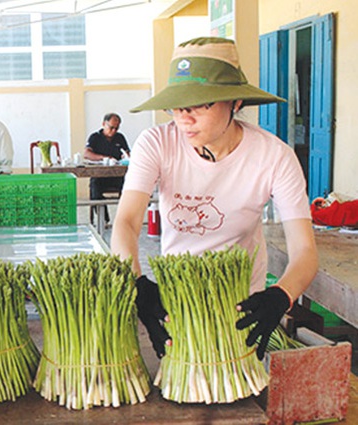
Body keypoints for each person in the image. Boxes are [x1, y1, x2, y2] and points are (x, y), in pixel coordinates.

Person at [111, 37, 318, 360]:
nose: (184, 118)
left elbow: (305, 250)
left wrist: (281, 296)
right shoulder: (157, 143)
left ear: (235, 103)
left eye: (201, 104)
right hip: (176, 302)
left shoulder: (274, 157)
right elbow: (126, 221)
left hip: (241, 305)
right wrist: (138, 284)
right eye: (177, 106)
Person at [83, 113, 130, 224]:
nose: (113, 131)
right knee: (95, 189)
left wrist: (125, 156)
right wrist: (104, 158)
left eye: (116, 128)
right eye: (111, 127)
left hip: (117, 175)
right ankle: (103, 218)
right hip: (100, 176)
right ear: (104, 124)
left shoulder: (120, 137)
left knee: (129, 187)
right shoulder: (95, 137)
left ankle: (125, 219)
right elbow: (86, 153)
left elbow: (127, 152)